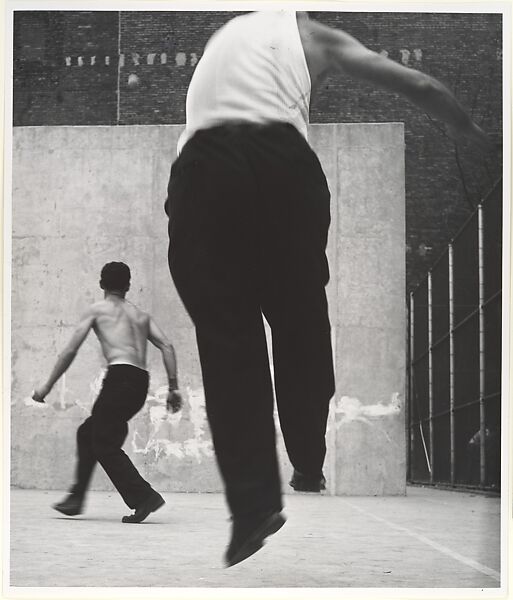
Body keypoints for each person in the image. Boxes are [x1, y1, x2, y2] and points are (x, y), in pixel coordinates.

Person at [164, 10, 490, 566]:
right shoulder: (315, 35)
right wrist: (466, 128)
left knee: (228, 344)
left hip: (198, 176)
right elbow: (421, 83)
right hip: (280, 163)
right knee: (300, 323)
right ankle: (308, 458)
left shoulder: (224, 38)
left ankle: (252, 507)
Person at [32, 262, 183, 523]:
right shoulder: (141, 316)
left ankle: (144, 497)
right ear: (127, 286)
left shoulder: (98, 310)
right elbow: (167, 346)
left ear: (102, 284)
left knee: (103, 443)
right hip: (139, 382)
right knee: (88, 433)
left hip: (119, 379)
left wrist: (47, 385)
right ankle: (76, 498)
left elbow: (69, 351)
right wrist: (173, 388)